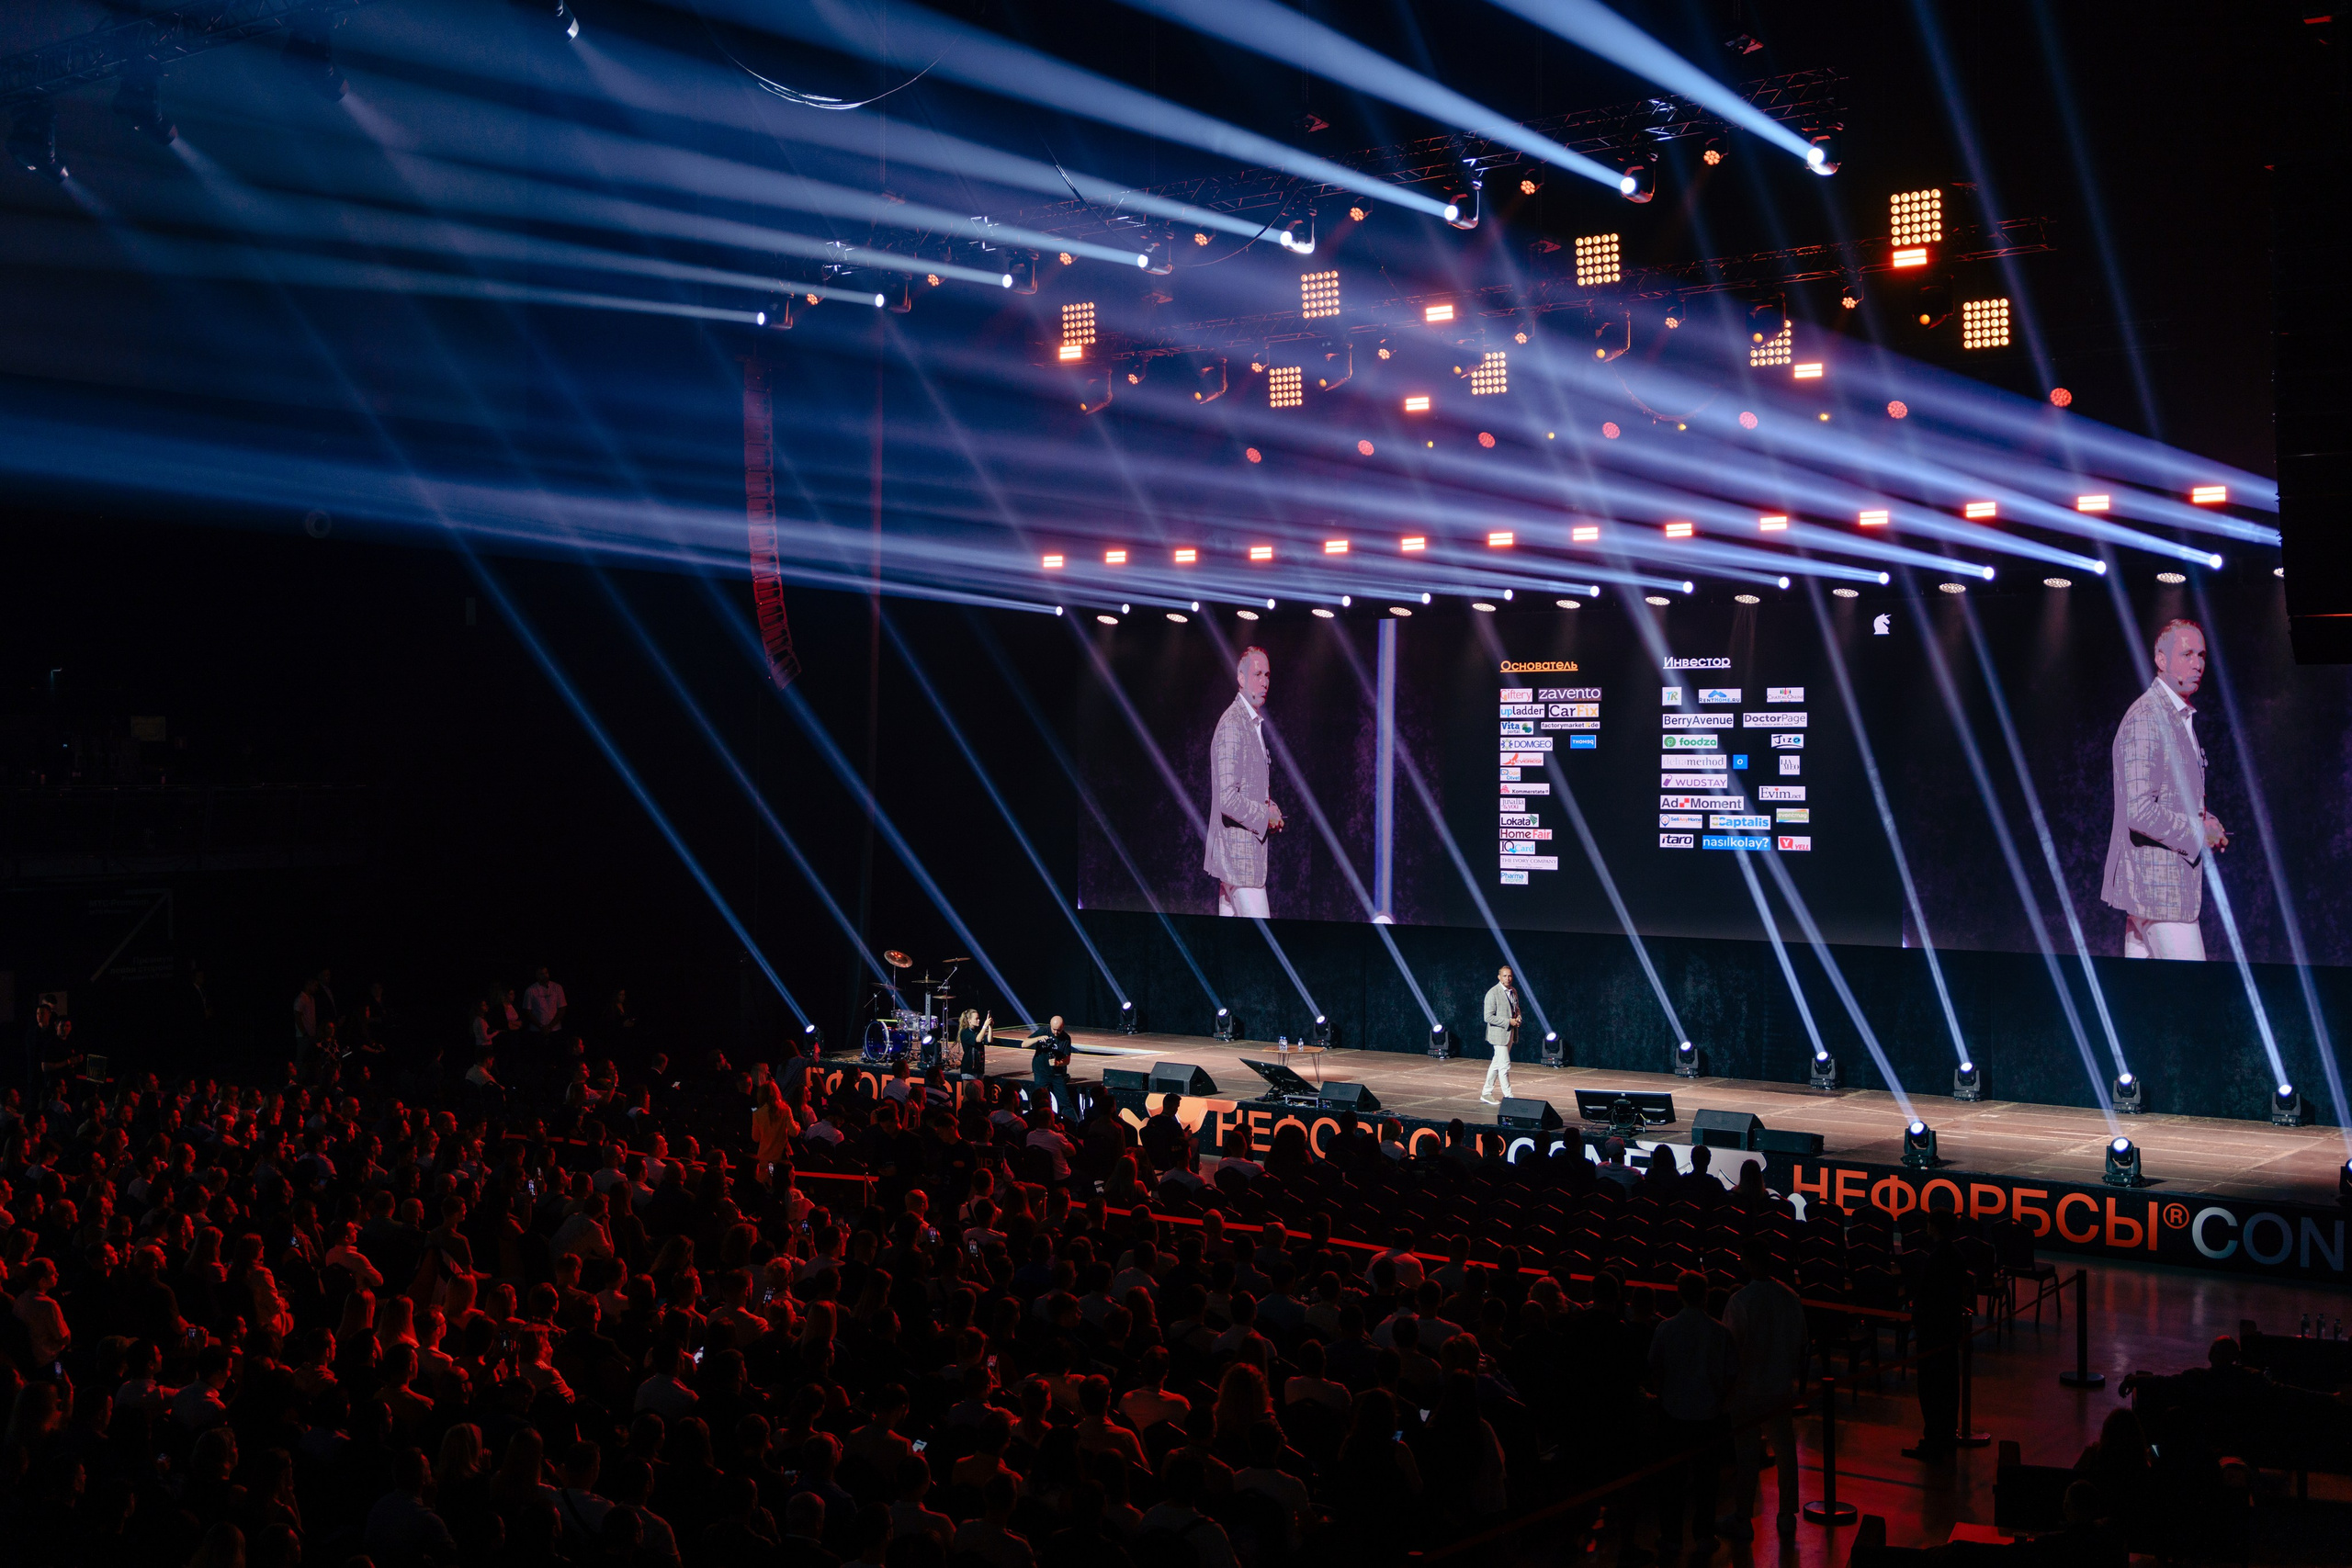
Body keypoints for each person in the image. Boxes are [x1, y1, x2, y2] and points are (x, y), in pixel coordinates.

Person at [2100, 616, 2222, 961]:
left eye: (2201, 655)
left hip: (2156, 891)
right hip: (2158, 893)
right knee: (2191, 1003)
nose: (2197, 664)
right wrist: (2198, 831)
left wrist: (2207, 822)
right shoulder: (2147, 717)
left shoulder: (2176, 715)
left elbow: (2170, 796)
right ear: (2161, 659)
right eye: (2187, 654)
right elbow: (2139, 810)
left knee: (2145, 1007)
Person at [1647, 1270, 1736, 1560]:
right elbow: (1729, 1375)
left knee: (1671, 1481)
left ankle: (1672, 1537)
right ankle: (1704, 1536)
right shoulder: (1720, 1332)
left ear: (1679, 1294)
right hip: (1708, 1416)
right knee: (1706, 1481)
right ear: (1705, 1294)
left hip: (1673, 1414)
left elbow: (1655, 1369)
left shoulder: (1665, 1329)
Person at [1721, 1245, 1807, 1538]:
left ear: (1747, 1263)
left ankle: (1743, 1516)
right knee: (1785, 1451)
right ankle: (1786, 1514)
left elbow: (1730, 1347)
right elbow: (1801, 1340)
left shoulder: (1740, 1301)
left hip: (1747, 1390)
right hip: (1780, 1387)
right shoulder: (1790, 1297)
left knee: (1746, 1456)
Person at [1203, 645, 1284, 918]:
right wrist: (1265, 816)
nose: (1264, 682)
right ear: (1240, 677)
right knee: (1263, 951)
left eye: (1268, 675)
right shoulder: (1232, 724)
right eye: (1257, 674)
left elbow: (1246, 786)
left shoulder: (1250, 723)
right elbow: (1227, 798)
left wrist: (1269, 808)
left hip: (1239, 862)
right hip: (1239, 863)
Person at [1905, 1209, 1970, 1461]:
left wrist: (1918, 1322)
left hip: (1932, 1335)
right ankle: (1944, 1438)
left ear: (1935, 1227)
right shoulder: (1957, 1256)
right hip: (1949, 1333)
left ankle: (1933, 1440)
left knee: (1931, 1390)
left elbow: (1927, 1295)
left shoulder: (1935, 1258)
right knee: (1948, 1389)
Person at [1478, 966, 1520, 1105]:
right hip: (1498, 1035)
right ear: (1499, 977)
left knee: (1496, 1064)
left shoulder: (1513, 991)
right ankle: (1509, 1097)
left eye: (1510, 976)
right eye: (1505, 976)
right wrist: (1508, 1021)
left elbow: (1516, 1009)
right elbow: (1488, 1017)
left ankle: (1486, 1092)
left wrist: (1518, 1018)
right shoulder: (1493, 993)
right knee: (1504, 1066)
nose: (1507, 978)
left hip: (1509, 1034)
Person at [1027, 1016, 1074, 1117]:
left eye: (1059, 1030)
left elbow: (1067, 1060)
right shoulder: (1043, 1031)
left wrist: (1058, 1063)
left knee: (1065, 1103)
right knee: (1041, 1102)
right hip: (1041, 1072)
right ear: (1050, 1026)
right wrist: (1038, 1038)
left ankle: (1072, 1126)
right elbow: (1023, 1044)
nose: (1056, 1032)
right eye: (1054, 1029)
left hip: (1057, 1074)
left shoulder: (1066, 1038)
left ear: (1063, 1027)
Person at [525, 965, 569, 1033]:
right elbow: (527, 1011)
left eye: (546, 973)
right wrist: (540, 1026)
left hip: (555, 1028)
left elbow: (562, 1008)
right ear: (537, 975)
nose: (545, 976)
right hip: (537, 1030)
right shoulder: (530, 990)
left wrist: (550, 1026)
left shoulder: (557, 987)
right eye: (542, 974)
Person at [957, 1008, 992, 1080]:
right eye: (976, 1019)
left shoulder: (977, 1031)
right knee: (969, 1091)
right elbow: (978, 1039)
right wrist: (985, 1026)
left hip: (979, 1068)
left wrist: (990, 1026)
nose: (978, 1020)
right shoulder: (965, 1032)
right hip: (969, 1069)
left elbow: (989, 1040)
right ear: (969, 1020)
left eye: (978, 1018)